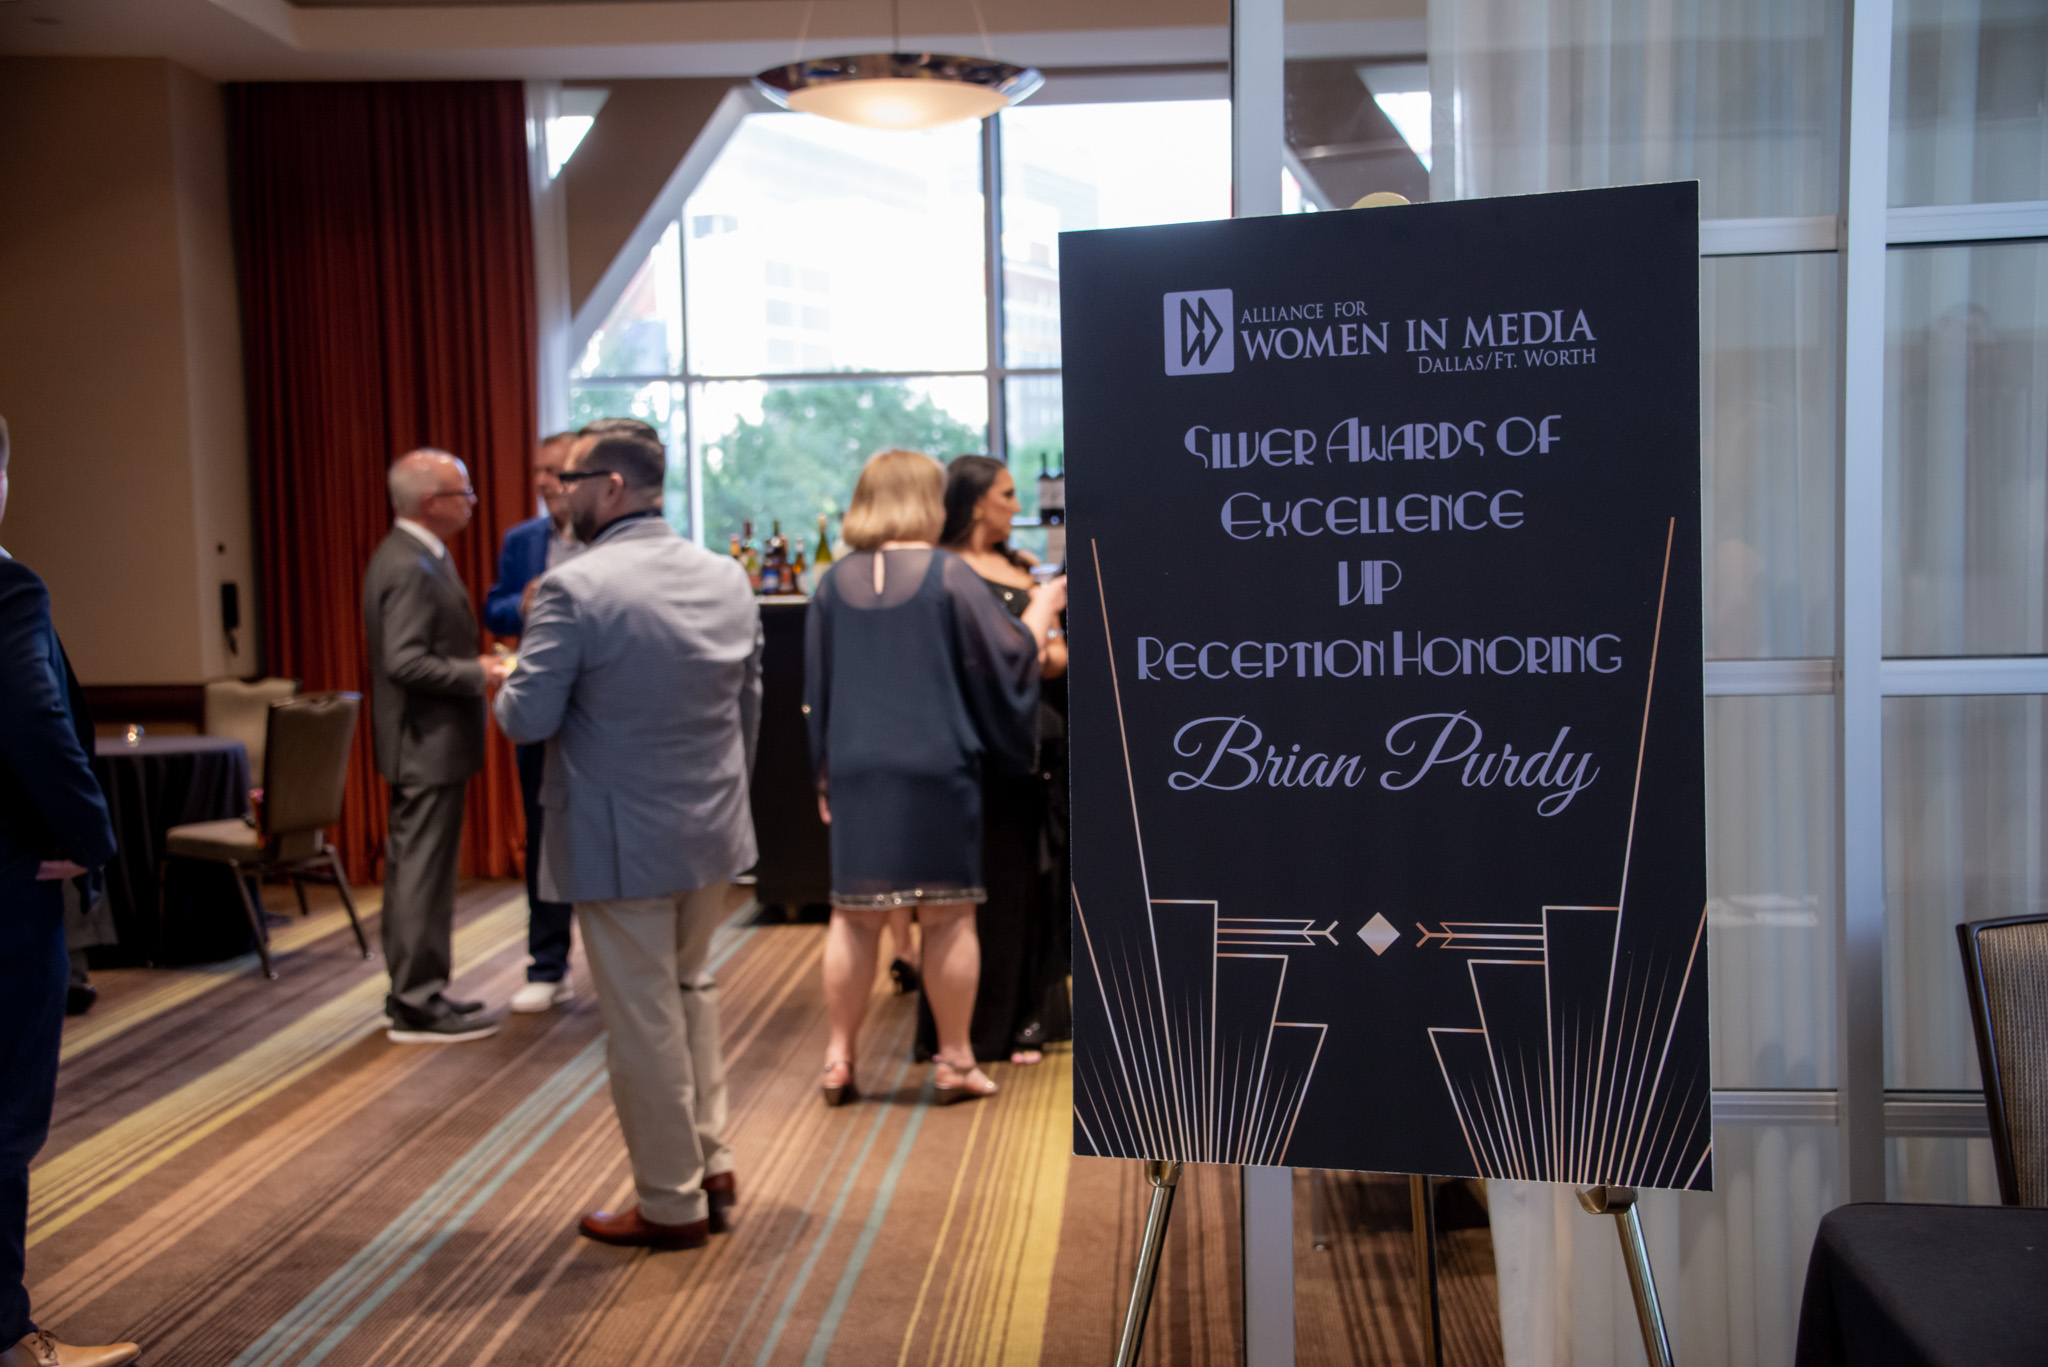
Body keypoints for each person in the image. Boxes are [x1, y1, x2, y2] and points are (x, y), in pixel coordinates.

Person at [494, 432, 762, 1251]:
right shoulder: (726, 575)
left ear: (610, 486)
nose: (556, 490)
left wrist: (505, 680)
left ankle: (671, 1201)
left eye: (567, 477)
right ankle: (711, 1162)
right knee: (690, 990)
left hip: (619, 839)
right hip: (711, 826)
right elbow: (747, 707)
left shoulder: (573, 587)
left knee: (644, 1018)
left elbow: (525, 718)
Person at [804, 449, 1063, 1108]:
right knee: (948, 916)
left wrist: (824, 772)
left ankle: (838, 1059)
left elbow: (818, 689)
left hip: (856, 765)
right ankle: (955, 1060)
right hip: (936, 766)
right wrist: (1044, 604)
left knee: (853, 917)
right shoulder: (947, 574)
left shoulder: (833, 583)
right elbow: (1010, 655)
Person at [0, 415, 141, 1367]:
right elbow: (32, 716)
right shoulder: (7, 585)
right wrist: (90, 839)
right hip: (5, 889)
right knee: (5, 1119)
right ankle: (9, 1337)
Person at [924, 455, 1072, 1067]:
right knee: (975, 888)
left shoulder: (1019, 566)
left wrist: (1038, 648)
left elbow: (1053, 657)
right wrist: (1030, 645)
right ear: (975, 500)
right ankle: (974, 1024)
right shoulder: (941, 571)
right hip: (974, 746)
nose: (1018, 504)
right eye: (1007, 494)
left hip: (1036, 738)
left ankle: (1027, 1017)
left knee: (1036, 880)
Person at [362, 448, 508, 1044]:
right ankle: (417, 1003)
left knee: (418, 873)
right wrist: (479, 672)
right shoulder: (407, 563)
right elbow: (405, 662)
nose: (472, 502)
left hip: (428, 744)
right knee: (421, 875)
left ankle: (417, 991)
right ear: (431, 503)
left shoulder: (419, 555)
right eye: (462, 492)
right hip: (423, 744)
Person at [484, 430, 580, 1014]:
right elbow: (493, 607)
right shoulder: (523, 540)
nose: (544, 482)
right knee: (543, 837)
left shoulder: (611, 541)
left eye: (555, 471)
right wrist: (521, 602)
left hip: (600, 710)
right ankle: (548, 964)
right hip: (541, 706)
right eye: (539, 471)